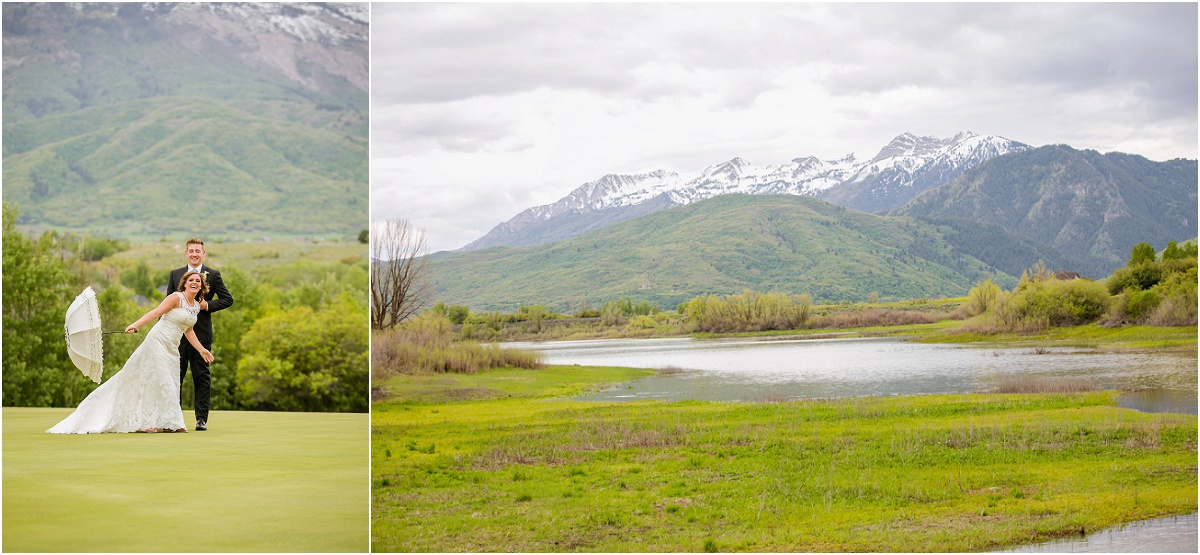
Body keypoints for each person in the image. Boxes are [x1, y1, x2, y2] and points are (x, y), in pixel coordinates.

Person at [48, 272, 215, 434]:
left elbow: (189, 331)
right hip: (156, 341)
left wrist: (201, 349)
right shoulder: (175, 298)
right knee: (156, 379)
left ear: (201, 286)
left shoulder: (195, 306)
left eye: (198, 281)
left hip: (172, 348)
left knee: (171, 382)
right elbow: (156, 313)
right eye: (191, 280)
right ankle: (147, 422)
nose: (195, 282)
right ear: (185, 283)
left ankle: (171, 422)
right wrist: (135, 325)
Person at [167, 238, 233, 431]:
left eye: (198, 251)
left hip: (201, 334)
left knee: (201, 376)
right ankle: (174, 418)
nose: (195, 253)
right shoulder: (176, 274)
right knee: (175, 375)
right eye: (191, 251)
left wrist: (206, 305)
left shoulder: (213, 274)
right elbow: (169, 302)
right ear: (186, 253)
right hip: (178, 335)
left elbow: (228, 299)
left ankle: (201, 419)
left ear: (203, 253)